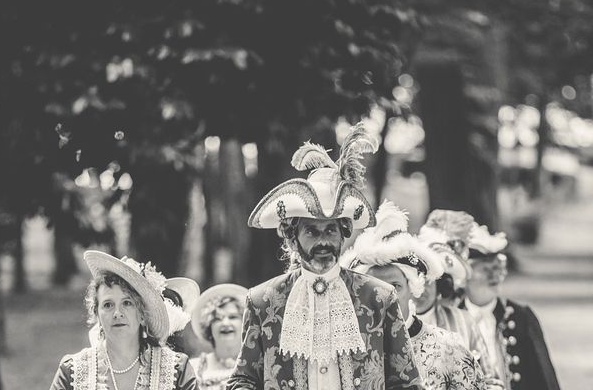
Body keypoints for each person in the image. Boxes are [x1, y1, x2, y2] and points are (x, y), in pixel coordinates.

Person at [226, 123, 423, 390]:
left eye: (331, 229)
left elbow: (406, 383)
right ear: (292, 236)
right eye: (311, 230)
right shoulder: (263, 301)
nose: (323, 240)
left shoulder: (379, 297)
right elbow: (243, 378)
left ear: (343, 233)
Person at [342, 200, 487, 390]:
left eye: (394, 286)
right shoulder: (343, 350)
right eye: (373, 287)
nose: (383, 297)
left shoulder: (448, 349)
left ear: (413, 288)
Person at [50, 251, 199, 390]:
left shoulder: (176, 369)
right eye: (108, 305)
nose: (117, 313)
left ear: (142, 314)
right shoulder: (72, 371)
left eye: (127, 303)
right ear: (97, 315)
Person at [461, 225, 560, 390]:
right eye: (485, 269)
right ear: (465, 276)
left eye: (497, 268)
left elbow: (544, 378)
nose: (493, 276)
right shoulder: (452, 317)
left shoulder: (521, 317)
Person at [415, 210, 496, 379]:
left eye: (430, 280)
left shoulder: (464, 322)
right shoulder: (393, 323)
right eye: (416, 277)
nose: (422, 287)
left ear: (442, 285)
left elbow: (489, 378)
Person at [190, 284, 248, 390]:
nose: (225, 323)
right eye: (217, 318)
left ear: (245, 323)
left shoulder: (256, 367)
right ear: (209, 326)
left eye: (232, 317)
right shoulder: (192, 368)